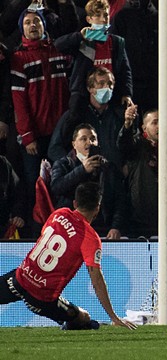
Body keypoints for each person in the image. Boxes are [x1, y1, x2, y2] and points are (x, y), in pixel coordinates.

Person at [0, 182, 136, 330]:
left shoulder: (59, 213)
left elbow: (43, 237)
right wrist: (113, 317)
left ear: (75, 203)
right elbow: (96, 280)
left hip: (19, 280)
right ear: (98, 208)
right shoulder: (90, 238)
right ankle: (72, 325)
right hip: (42, 299)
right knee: (84, 317)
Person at [11, 5, 71, 235]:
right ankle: (36, 234)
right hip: (34, 138)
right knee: (33, 185)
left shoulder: (58, 52)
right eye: (27, 22)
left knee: (59, 185)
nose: (33, 25)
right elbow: (19, 102)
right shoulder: (19, 59)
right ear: (21, 29)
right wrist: (27, 137)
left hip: (59, 134)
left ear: (44, 25)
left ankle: (60, 231)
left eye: (36, 21)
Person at [54, 0, 134, 143]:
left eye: (106, 15)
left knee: (126, 115)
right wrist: (80, 36)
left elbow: (125, 70)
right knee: (74, 117)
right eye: (98, 16)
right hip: (84, 93)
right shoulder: (83, 41)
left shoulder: (117, 42)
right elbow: (58, 45)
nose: (103, 19)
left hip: (110, 90)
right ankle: (70, 153)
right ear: (89, 19)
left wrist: (126, 93)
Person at [50, 123, 126, 239]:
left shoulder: (109, 168)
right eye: (83, 139)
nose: (89, 143)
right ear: (74, 144)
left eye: (92, 139)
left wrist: (116, 226)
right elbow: (56, 187)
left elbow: (120, 199)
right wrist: (82, 170)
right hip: (70, 229)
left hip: (102, 229)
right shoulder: (63, 164)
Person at [117, 108, 158, 236]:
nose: (160, 126)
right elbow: (124, 144)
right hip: (140, 221)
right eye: (155, 122)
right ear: (144, 128)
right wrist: (128, 124)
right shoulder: (138, 145)